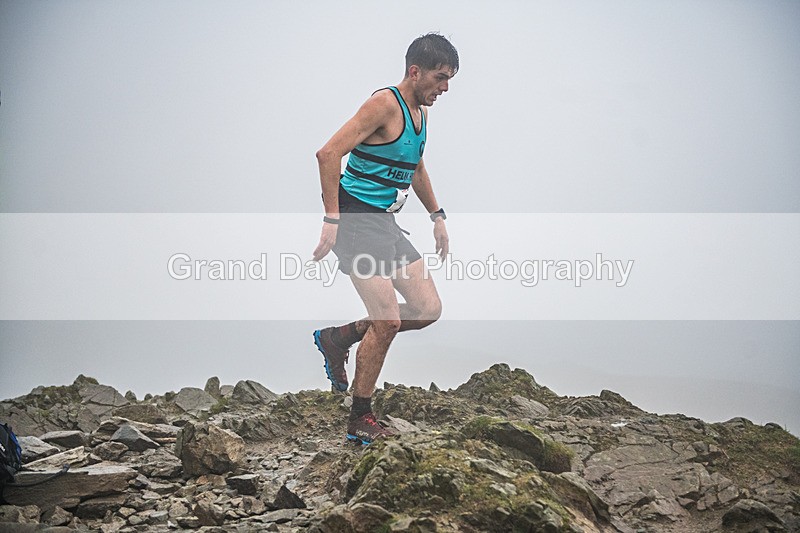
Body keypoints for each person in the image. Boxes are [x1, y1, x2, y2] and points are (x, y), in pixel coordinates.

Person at [311, 33, 458, 445]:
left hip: (386, 225)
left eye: (449, 79)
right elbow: (328, 154)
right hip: (356, 221)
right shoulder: (384, 104)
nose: (445, 88)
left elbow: (415, 166)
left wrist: (437, 216)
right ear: (416, 71)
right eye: (440, 77)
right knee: (389, 321)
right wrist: (331, 219)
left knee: (427, 308)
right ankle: (360, 416)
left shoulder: (420, 112)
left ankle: (338, 337)